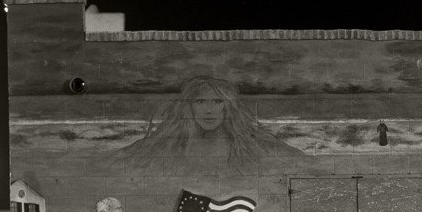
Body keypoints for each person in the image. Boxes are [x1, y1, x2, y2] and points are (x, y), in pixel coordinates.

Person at [118, 75, 306, 171]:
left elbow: (299, 160)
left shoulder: (249, 144)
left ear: (228, 107)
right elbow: (123, 158)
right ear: (190, 107)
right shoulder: (164, 146)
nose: (209, 110)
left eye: (217, 101)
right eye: (200, 102)